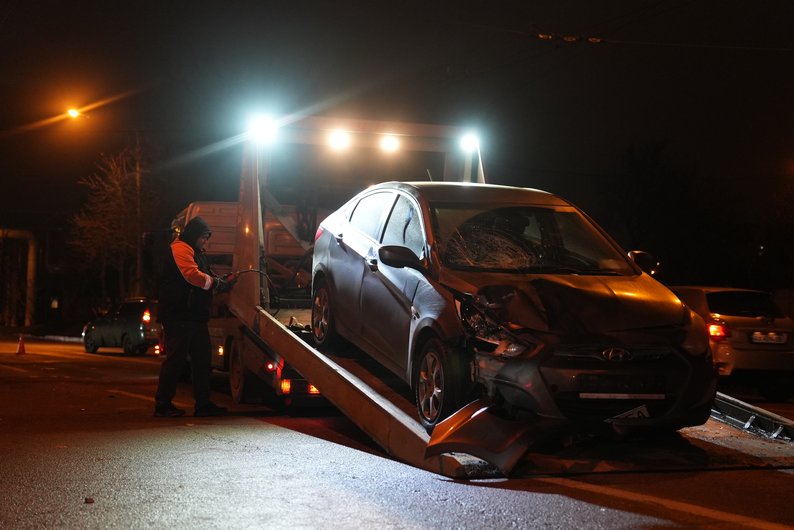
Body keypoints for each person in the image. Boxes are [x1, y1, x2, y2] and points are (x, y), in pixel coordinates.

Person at [154, 216, 237, 417]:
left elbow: (204, 275)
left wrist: (221, 281)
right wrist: (217, 284)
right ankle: (163, 405)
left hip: (193, 316)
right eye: (203, 237)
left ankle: (203, 404)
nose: (205, 241)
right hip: (179, 315)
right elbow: (192, 275)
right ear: (193, 235)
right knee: (176, 360)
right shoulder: (181, 249)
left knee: (202, 360)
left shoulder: (196, 251)